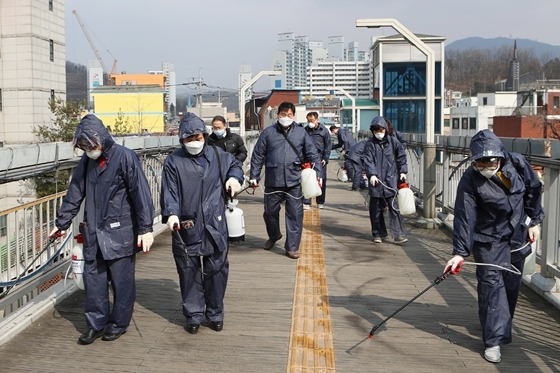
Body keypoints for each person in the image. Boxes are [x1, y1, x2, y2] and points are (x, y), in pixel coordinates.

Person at [49, 114, 155, 345]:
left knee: (122, 282)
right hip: (94, 233)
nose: (89, 149)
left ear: (102, 139)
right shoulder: (86, 162)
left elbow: (141, 194)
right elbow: (75, 193)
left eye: (91, 145)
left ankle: (118, 324)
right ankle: (95, 324)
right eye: (84, 146)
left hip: (121, 232)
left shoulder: (125, 157)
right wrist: (61, 224)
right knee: (94, 281)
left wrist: (146, 228)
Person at [444, 129, 544, 364]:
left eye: (490, 161)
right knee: (491, 285)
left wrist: (534, 221)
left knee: (510, 287)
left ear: (500, 156)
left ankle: (495, 326)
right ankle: (493, 340)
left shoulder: (517, 163)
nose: (485, 165)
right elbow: (464, 217)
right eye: (480, 162)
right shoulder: (470, 180)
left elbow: (533, 190)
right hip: (487, 239)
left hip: (517, 235)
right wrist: (459, 253)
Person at [160, 112, 243, 335]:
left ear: (204, 135)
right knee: (189, 272)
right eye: (188, 139)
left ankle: (215, 313)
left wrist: (234, 178)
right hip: (187, 224)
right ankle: (194, 314)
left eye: (197, 137)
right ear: (181, 140)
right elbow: (170, 191)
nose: (194, 142)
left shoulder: (219, 155)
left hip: (215, 224)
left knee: (217, 271)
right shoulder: (173, 161)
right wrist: (171, 214)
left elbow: (236, 165)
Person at [250, 102, 322, 259]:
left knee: (295, 215)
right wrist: (254, 176)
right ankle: (274, 235)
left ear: (294, 116)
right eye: (283, 114)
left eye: (289, 115)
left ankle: (292, 247)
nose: (286, 117)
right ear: (278, 115)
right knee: (269, 213)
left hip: (294, 180)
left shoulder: (302, 133)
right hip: (272, 180)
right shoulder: (268, 133)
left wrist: (318, 175)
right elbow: (257, 155)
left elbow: (313, 154)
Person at [363, 116, 408, 244]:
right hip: (376, 181)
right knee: (376, 208)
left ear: (385, 130)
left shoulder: (394, 142)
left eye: (381, 130)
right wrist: (371, 175)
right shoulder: (369, 144)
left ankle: (398, 234)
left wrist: (403, 171)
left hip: (390, 180)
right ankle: (378, 233)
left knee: (394, 207)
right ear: (372, 131)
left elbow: (401, 157)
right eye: (376, 131)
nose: (378, 133)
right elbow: (368, 161)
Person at [302, 112, 332, 210]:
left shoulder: (324, 131)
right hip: (308, 159)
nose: (310, 122)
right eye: (309, 121)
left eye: (312, 120)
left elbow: (328, 146)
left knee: (321, 180)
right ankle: (306, 201)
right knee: (306, 180)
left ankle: (320, 201)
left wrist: (325, 158)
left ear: (317, 120)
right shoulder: (305, 130)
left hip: (320, 159)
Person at [330, 125, 357, 190]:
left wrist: (345, 150)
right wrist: (330, 147)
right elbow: (340, 144)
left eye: (333, 132)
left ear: (334, 129)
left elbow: (345, 141)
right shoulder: (342, 132)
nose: (334, 133)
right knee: (349, 164)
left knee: (348, 163)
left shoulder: (341, 132)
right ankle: (351, 178)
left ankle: (351, 178)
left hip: (350, 149)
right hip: (352, 148)